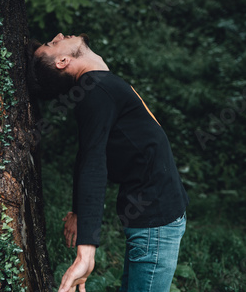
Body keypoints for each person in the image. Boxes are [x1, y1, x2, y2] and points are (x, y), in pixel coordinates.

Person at [27, 33, 189, 292]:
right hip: (155, 219)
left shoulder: (97, 86)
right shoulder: (95, 90)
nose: (58, 36)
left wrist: (79, 211)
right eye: (53, 44)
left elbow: (87, 152)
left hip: (155, 214)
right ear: (63, 61)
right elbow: (92, 161)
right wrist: (86, 252)